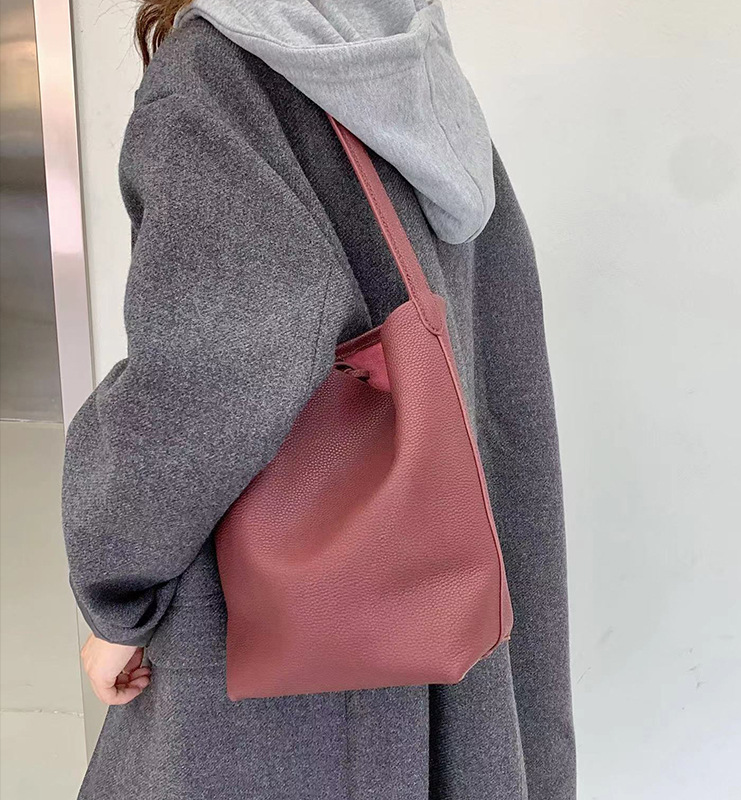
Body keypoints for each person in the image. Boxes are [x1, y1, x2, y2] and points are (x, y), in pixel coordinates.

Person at [63, 1, 575, 798]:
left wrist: (117, 594)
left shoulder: (218, 75)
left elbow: (216, 366)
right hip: (439, 604)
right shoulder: (408, 56)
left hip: (286, 663)